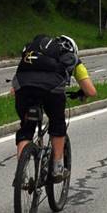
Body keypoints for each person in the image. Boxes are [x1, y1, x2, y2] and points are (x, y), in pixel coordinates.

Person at [11, 33, 97, 171]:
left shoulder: (33, 51)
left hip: (23, 85)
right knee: (57, 124)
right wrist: (82, 94)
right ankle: (57, 166)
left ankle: (22, 173)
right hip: (51, 88)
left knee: (26, 130)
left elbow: (13, 88)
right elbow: (91, 91)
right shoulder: (71, 57)